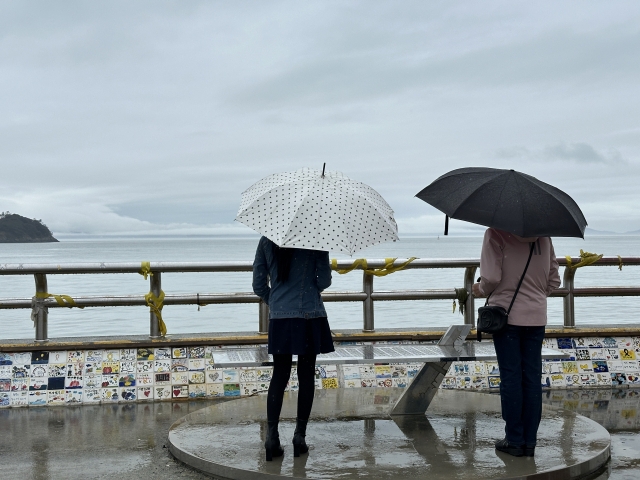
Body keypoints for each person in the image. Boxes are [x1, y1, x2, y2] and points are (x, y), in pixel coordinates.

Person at [472, 228, 560, 457]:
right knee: (531, 378)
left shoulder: (496, 233)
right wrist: (535, 296)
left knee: (511, 377)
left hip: (506, 318)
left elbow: (490, 278)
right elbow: (554, 280)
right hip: (537, 317)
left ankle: (514, 439)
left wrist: (479, 289)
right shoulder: (544, 235)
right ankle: (529, 442)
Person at [252, 236, 334, 461]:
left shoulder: (267, 240)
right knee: (306, 375)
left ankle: (271, 438)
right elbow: (324, 281)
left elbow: (258, 285)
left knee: (279, 375)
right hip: (310, 316)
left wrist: (276, 300)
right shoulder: (316, 238)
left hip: (280, 318)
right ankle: (299, 437)